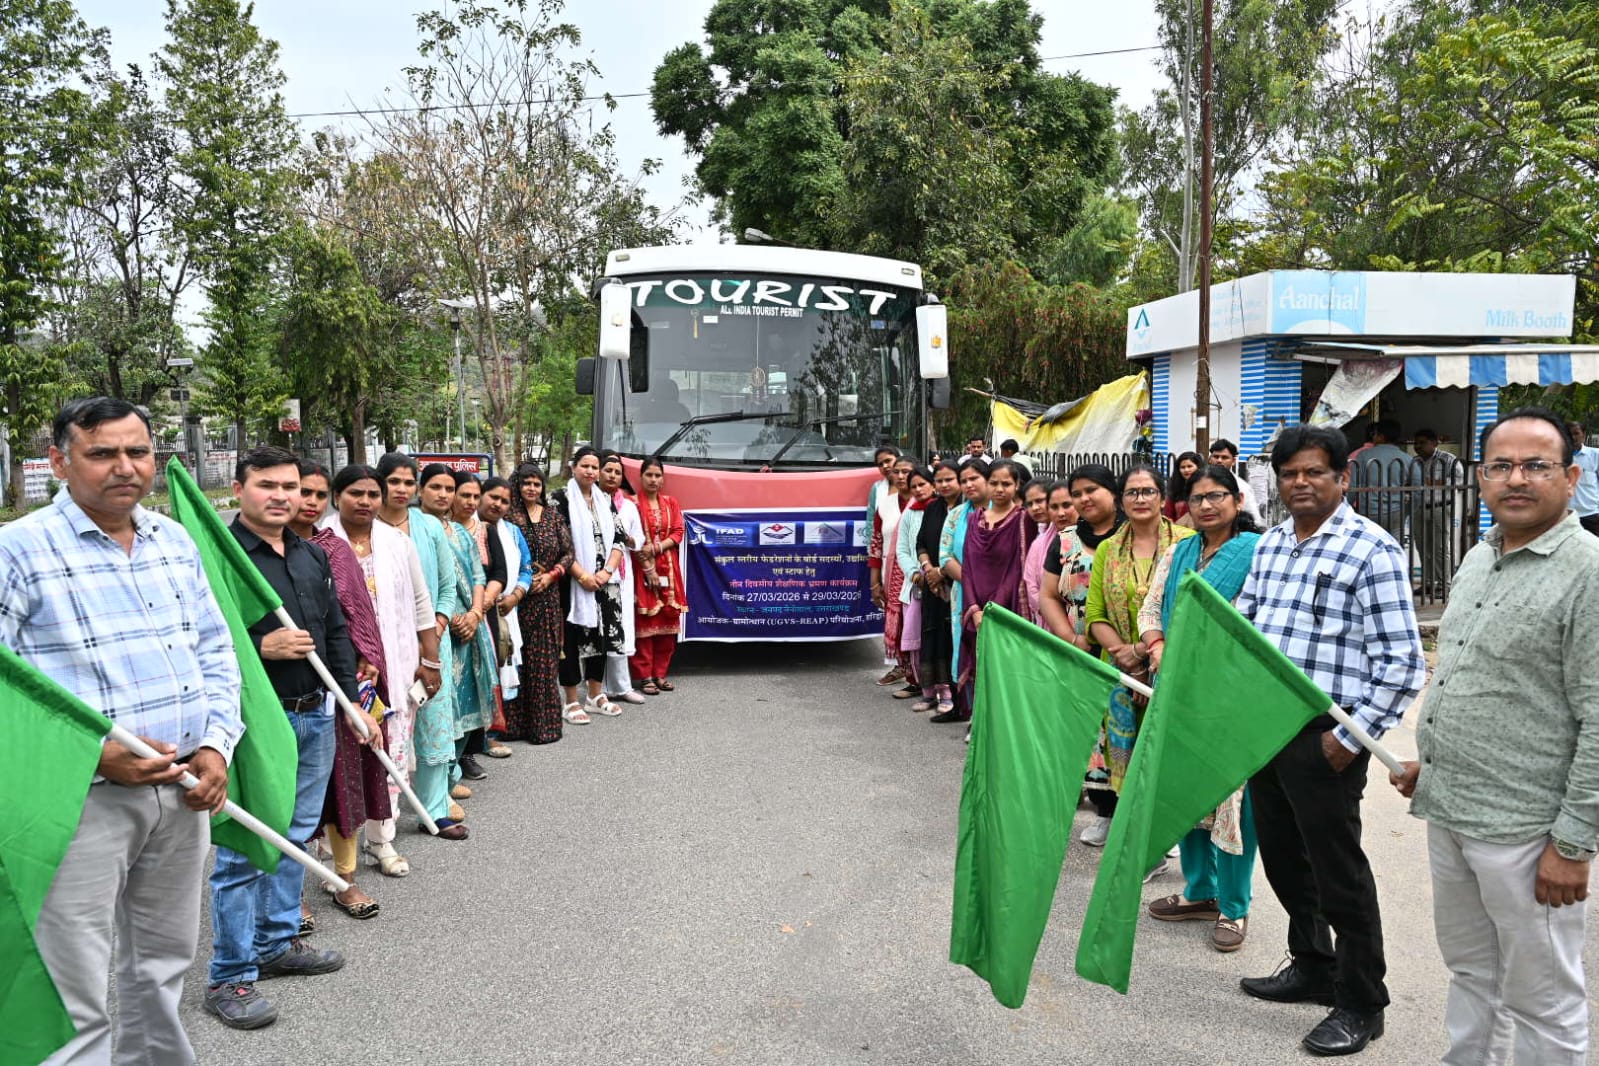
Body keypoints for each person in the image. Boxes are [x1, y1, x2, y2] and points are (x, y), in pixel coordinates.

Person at [0, 397, 242, 1061]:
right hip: (78, 803)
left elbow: (217, 653)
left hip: (186, 789)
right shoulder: (18, 551)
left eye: (137, 452)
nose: (125, 468)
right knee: (70, 981)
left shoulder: (172, 540)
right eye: (102, 453)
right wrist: (93, 757)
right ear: (58, 462)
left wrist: (218, 744)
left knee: (161, 967)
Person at [1390, 407, 1598, 1065]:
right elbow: (1478, 677)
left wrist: (1570, 843)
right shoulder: (1480, 557)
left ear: (1569, 476)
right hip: (1451, 812)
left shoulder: (1588, 572)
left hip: (1526, 830)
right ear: (1479, 478)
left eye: (1535, 465)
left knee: (1544, 1003)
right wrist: (1435, 762)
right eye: (1501, 466)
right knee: (1472, 977)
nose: (1516, 478)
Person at [1235, 423, 1425, 1057]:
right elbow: (1250, 620)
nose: (1301, 483)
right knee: (1285, 859)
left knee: (1337, 869)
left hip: (1327, 736)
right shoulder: (1271, 545)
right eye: (1290, 474)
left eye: (1315, 472)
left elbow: (1401, 660)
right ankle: (1312, 965)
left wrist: (1352, 737)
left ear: (1343, 478)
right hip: (1267, 726)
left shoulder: (1372, 550)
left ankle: (1361, 1000)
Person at [206, 446, 359, 1029]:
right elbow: (204, 637)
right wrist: (259, 646)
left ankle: (276, 944)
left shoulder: (309, 555)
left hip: (317, 712)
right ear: (239, 489)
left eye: (290, 486)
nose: (281, 496)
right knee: (245, 848)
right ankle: (230, 974)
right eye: (266, 484)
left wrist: (351, 704)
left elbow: (336, 631)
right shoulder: (220, 558)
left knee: (296, 834)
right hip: (255, 723)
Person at [1137, 465, 1263, 953]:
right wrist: (1158, 646)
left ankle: (1235, 905)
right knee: (1186, 794)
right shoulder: (1179, 550)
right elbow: (1151, 608)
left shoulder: (1256, 552)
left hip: (1229, 692)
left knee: (1232, 799)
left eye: (1217, 496)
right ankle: (1200, 891)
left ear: (1236, 500)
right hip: (1176, 689)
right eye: (1197, 498)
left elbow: (1255, 617)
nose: (1206, 505)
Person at [288, 463, 388, 924]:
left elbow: (353, 615)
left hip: (336, 686)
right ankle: (291, 896)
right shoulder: (251, 552)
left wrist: (364, 658)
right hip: (281, 691)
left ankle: (345, 878)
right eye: (300, 491)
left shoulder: (333, 551)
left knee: (343, 781)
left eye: (318, 493)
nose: (309, 501)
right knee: (290, 795)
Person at [1084, 464, 1195, 874]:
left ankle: (1172, 837)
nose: (1140, 499)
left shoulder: (1187, 544)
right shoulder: (1109, 550)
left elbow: (1194, 610)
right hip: (1122, 672)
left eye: (1148, 491)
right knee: (1129, 762)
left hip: (1173, 669)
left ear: (1161, 496)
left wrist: (1151, 652)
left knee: (1168, 758)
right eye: (1132, 492)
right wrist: (1124, 651)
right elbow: (1094, 614)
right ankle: (1142, 845)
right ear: (1121, 499)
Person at [346, 453, 445, 870]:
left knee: (393, 755)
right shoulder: (323, 542)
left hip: (399, 664)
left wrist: (431, 661)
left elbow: (423, 604)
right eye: (356, 493)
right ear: (339, 497)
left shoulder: (398, 543)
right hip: (349, 672)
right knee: (351, 756)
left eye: (372, 493)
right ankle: (341, 846)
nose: (366, 501)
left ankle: (382, 839)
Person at [1040, 465, 1123, 845]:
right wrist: (1070, 638)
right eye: (1078, 493)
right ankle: (1106, 812)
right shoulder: (1065, 539)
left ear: (1113, 491)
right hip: (1082, 651)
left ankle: (1148, 819)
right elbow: (1048, 595)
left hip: (1129, 652)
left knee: (1132, 731)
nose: (1084, 499)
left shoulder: (1135, 533)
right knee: (1093, 732)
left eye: (1093, 490)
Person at [398, 463, 471, 840]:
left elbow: (446, 586)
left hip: (431, 639)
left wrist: (436, 629)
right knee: (387, 725)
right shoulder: (366, 530)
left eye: (406, 481)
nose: (401, 488)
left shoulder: (429, 528)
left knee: (434, 720)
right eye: (393, 481)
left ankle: (435, 809)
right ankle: (380, 815)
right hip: (385, 644)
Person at [955, 460, 1036, 736]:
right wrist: (974, 608)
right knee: (980, 664)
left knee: (1005, 668)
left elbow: (1018, 567)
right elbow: (967, 567)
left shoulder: (1022, 519)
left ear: (1017, 486)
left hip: (1006, 608)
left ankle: (1002, 727)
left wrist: (992, 609)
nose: (1000, 489)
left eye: (1006, 484)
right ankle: (978, 721)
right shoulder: (973, 519)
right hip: (976, 608)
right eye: (994, 483)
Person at [551, 447, 627, 723]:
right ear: (573, 467)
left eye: (595, 467)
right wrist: (583, 576)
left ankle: (595, 695)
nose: (591, 471)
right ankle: (571, 700)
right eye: (585, 465)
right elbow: (559, 545)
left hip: (605, 583)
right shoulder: (559, 499)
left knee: (602, 637)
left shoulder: (605, 500)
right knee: (570, 640)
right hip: (573, 583)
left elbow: (619, 539)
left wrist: (606, 572)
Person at [503, 462, 574, 741]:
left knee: (543, 663)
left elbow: (568, 554)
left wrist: (552, 576)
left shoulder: (552, 516)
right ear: (517, 486)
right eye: (526, 483)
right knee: (516, 658)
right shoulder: (508, 514)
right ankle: (512, 727)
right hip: (515, 599)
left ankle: (544, 728)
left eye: (537, 483)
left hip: (546, 599)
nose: (532, 488)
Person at [933, 458, 990, 724]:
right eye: (964, 480)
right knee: (964, 647)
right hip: (962, 596)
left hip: (995, 594)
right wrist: (971, 583)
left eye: (974, 479)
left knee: (990, 652)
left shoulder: (1001, 512)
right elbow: (945, 557)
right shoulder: (956, 515)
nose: (968, 484)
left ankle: (988, 717)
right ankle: (967, 711)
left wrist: (981, 585)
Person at [479, 476, 534, 737]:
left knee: (502, 664)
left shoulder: (512, 531)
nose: (499, 504)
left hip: (506, 610)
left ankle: (493, 732)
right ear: (480, 495)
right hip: (475, 611)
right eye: (494, 497)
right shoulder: (466, 527)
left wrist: (515, 596)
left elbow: (526, 568)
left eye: (505, 501)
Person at [630, 457, 688, 695]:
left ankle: (660, 673)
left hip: (669, 569)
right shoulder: (631, 503)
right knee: (646, 622)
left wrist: (656, 548)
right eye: (649, 475)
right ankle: (644, 676)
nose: (653, 480)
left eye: (657, 475)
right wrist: (648, 563)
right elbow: (631, 538)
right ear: (641, 477)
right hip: (642, 567)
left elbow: (678, 531)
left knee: (668, 622)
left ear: (663, 479)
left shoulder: (670, 503)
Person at [913, 461, 962, 714]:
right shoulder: (933, 508)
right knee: (930, 634)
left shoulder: (967, 510)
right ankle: (929, 691)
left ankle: (949, 693)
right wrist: (928, 569)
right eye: (940, 481)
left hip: (956, 583)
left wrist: (941, 573)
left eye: (949, 480)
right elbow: (921, 542)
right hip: (932, 582)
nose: (944, 485)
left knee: (949, 638)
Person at [599, 453, 647, 705]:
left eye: (617, 472)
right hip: (597, 574)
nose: (612, 475)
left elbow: (640, 539)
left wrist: (630, 540)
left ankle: (622, 686)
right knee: (599, 631)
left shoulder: (628, 506)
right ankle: (599, 688)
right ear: (598, 472)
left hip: (622, 575)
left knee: (621, 629)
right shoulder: (590, 503)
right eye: (608, 470)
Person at [893, 465, 937, 704]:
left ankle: (937, 688)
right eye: (914, 487)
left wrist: (932, 572)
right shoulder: (911, 513)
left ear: (933, 484)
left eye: (922, 484)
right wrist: (913, 573)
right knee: (914, 638)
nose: (919, 490)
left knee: (934, 636)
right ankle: (918, 683)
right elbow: (902, 549)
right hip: (915, 584)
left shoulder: (942, 510)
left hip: (939, 581)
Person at [869, 456, 911, 690]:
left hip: (917, 575)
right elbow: (876, 543)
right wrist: (875, 583)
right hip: (890, 573)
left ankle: (919, 673)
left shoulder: (926, 501)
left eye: (906, 472)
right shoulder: (884, 504)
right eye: (897, 472)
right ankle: (902, 666)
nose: (901, 476)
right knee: (898, 623)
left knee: (916, 624)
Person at [1407, 428, 1465, 593]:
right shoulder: (1415, 461)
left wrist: (1434, 482)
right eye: (1416, 443)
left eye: (1422, 443)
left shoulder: (1448, 460)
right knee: (1422, 547)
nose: (1418, 446)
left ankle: (1444, 584)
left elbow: (1459, 483)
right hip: (1419, 508)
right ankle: (1428, 583)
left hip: (1441, 507)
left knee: (1439, 547)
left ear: (1434, 443)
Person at [1348, 418, 1408, 542]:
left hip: (1369, 511)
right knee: (1395, 548)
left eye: (1375, 434)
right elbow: (1419, 488)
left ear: (1381, 436)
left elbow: (1352, 486)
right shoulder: (1407, 459)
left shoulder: (1364, 456)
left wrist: (1347, 507)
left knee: (1368, 546)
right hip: (1396, 512)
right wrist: (1408, 511)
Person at [1017, 477, 1051, 622]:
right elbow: (1030, 582)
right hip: (1042, 614)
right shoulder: (1039, 537)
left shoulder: (1065, 536)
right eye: (1030, 504)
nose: (1035, 508)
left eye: (1040, 501)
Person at [1206, 439, 1263, 524]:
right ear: (1210, 459)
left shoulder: (1242, 487)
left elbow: (1255, 519)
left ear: (1233, 461)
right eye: (1216, 457)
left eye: (1224, 457)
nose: (1219, 461)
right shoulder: (1202, 483)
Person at [1568, 420, 1599, 535]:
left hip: (1591, 514)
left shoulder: (1595, 455)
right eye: (1569, 434)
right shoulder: (1560, 457)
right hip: (1567, 515)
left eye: (1576, 433)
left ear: (1584, 434)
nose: (1573, 437)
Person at [1163, 451, 1205, 524]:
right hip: (1179, 532)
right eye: (1183, 467)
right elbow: (1168, 516)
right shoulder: (1174, 488)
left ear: (1198, 467)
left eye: (1189, 466)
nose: (1186, 470)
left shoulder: (1206, 486)